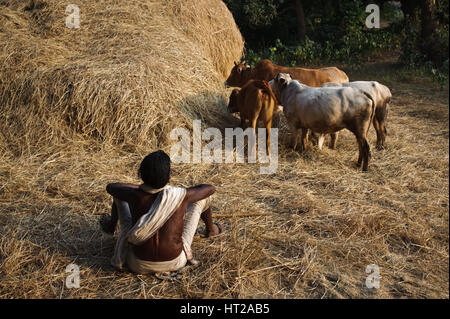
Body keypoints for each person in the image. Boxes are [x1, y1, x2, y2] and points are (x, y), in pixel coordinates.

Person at [99, 150, 222, 274]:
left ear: (140, 175)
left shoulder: (133, 194)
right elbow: (210, 189)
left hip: (136, 264)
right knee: (203, 198)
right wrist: (171, 190)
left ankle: (110, 227)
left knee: (118, 195)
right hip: (175, 262)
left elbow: (111, 187)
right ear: (169, 177)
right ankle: (211, 229)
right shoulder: (180, 195)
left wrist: (139, 188)